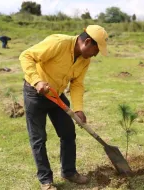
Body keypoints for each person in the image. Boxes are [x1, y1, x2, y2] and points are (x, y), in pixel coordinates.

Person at [19, 25, 108, 190]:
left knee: (68, 134)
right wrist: (37, 81)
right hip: (35, 94)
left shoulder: (84, 60)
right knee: (38, 139)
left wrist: (79, 108)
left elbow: (77, 84)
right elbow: (26, 55)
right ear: (87, 41)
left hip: (56, 95)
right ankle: (46, 181)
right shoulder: (58, 43)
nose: (95, 55)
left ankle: (69, 172)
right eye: (96, 50)